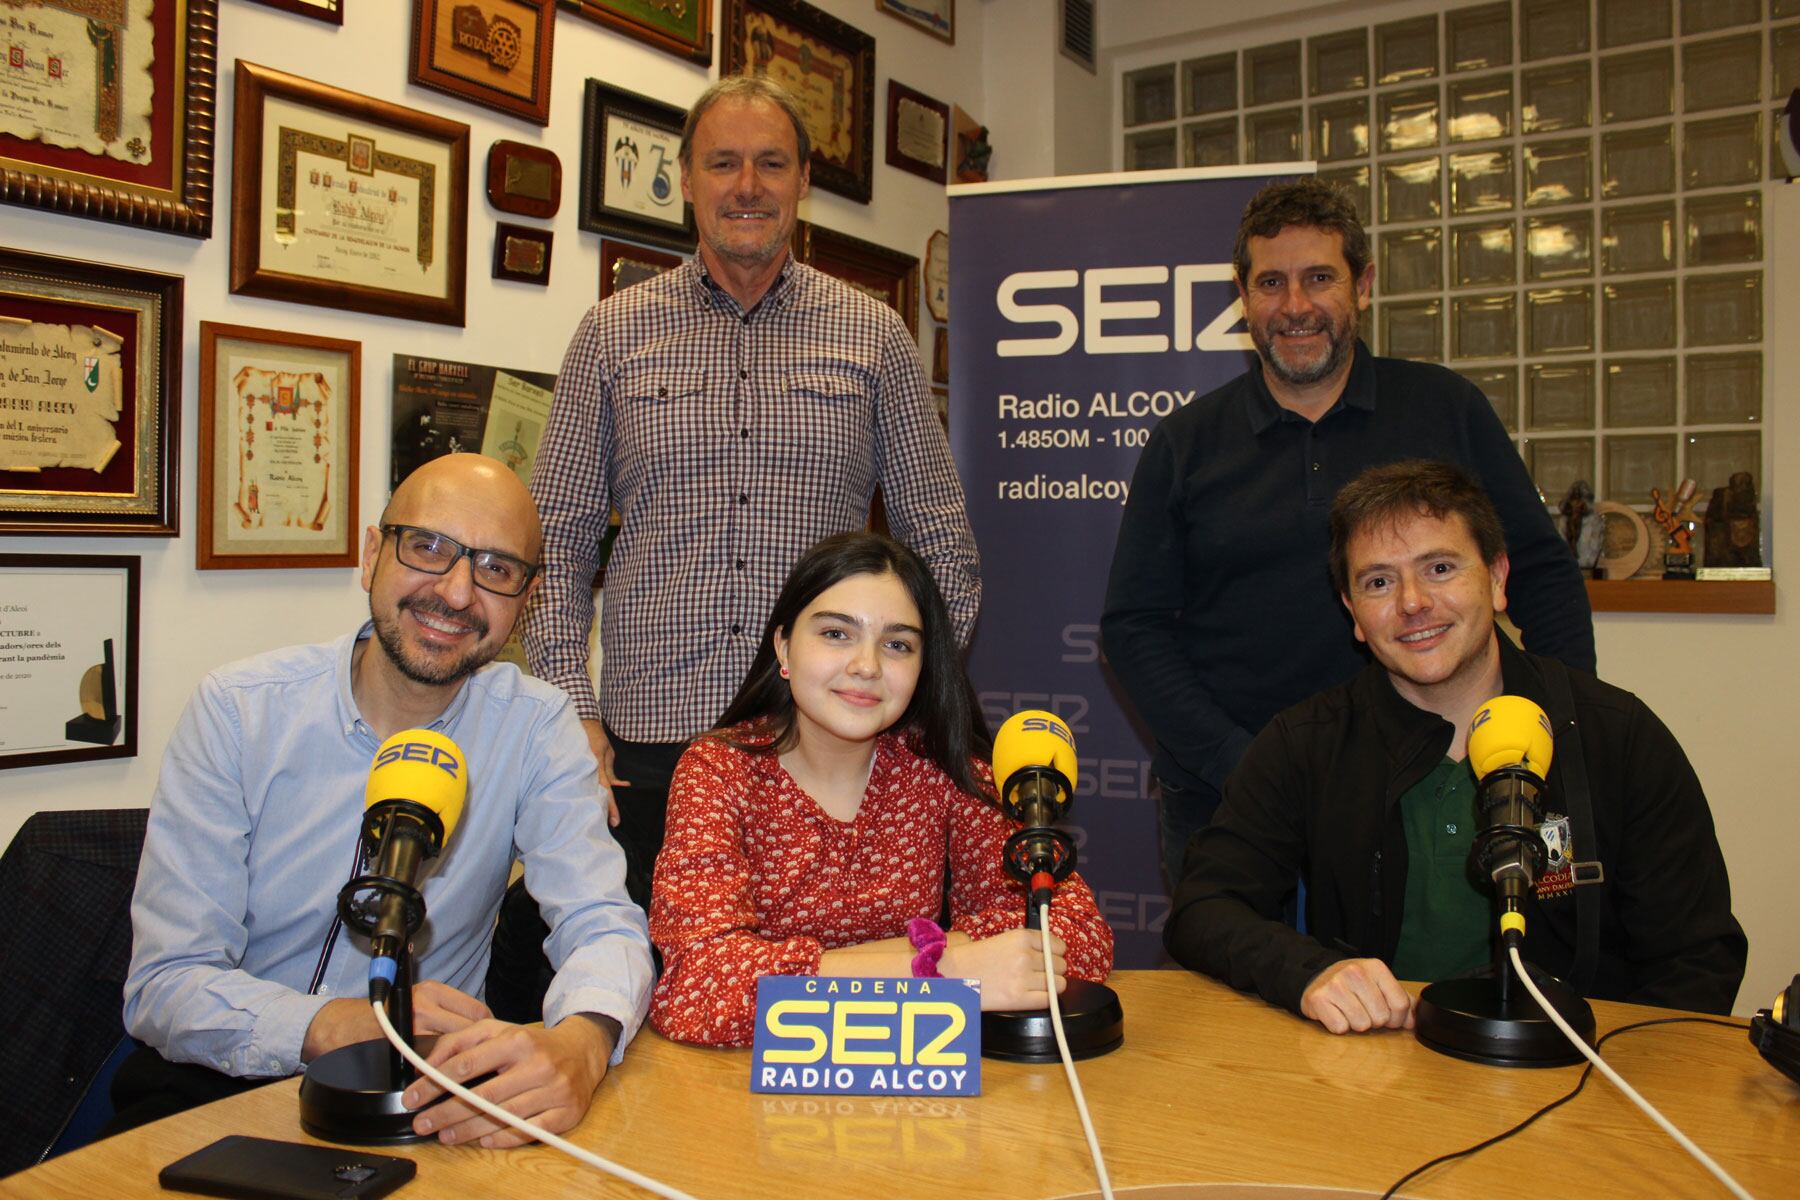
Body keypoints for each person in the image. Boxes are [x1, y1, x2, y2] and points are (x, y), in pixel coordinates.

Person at [525, 75, 979, 916]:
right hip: (649, 742)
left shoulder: (873, 335)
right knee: (661, 995)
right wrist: (567, 711)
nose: (747, 186)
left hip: (820, 749)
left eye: (771, 163)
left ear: (804, 179)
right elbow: (555, 538)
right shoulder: (612, 334)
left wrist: (900, 699)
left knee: (819, 998)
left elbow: (942, 545)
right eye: (722, 163)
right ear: (687, 179)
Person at [120, 455, 654, 1147]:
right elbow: (164, 985)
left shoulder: (536, 727)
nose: (458, 593)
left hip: (423, 1106)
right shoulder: (239, 712)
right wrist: (342, 1023)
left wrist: (583, 1043)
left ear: (528, 600)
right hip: (218, 1098)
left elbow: (602, 923)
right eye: (428, 548)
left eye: (496, 568)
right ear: (373, 553)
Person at [1102, 178, 1595, 889]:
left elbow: (1542, 572)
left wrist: (1562, 728)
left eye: (1319, 278)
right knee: (1225, 994)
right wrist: (1239, 762)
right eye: (1271, 282)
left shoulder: (1445, 408)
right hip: (1228, 797)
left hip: (1428, 785)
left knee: (1415, 995)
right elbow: (1134, 626)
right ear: (1243, 295)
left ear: (1362, 285)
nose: (1295, 306)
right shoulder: (1185, 443)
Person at [1163, 460, 1746, 1032]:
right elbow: (1204, 907)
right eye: (1379, 582)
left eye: (1439, 568)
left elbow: (1697, 959)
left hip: (1580, 1073)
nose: (1412, 602)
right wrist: (1310, 974)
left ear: (1496, 579)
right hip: (1376, 1072)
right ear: (1354, 614)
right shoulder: (1306, 742)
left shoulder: (1616, 734)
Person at [647, 533, 1112, 1046]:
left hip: (924, 1084)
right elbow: (698, 987)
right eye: (836, 633)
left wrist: (813, 972)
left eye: (897, 644)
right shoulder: (718, 769)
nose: (867, 666)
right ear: (783, 646)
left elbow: (1075, 933)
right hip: (750, 1088)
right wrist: (941, 967)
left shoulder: (936, 767)